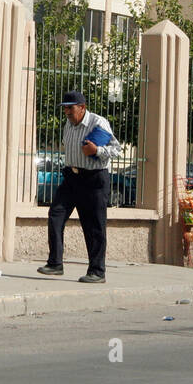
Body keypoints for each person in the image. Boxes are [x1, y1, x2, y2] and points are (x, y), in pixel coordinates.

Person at [37, 90, 121, 284]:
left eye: (70, 108)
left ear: (82, 107)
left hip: (94, 179)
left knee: (94, 226)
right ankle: (55, 263)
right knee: (55, 215)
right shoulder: (69, 123)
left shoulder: (98, 123)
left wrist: (97, 150)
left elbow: (116, 149)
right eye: (64, 108)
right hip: (71, 178)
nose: (66, 112)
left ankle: (97, 271)